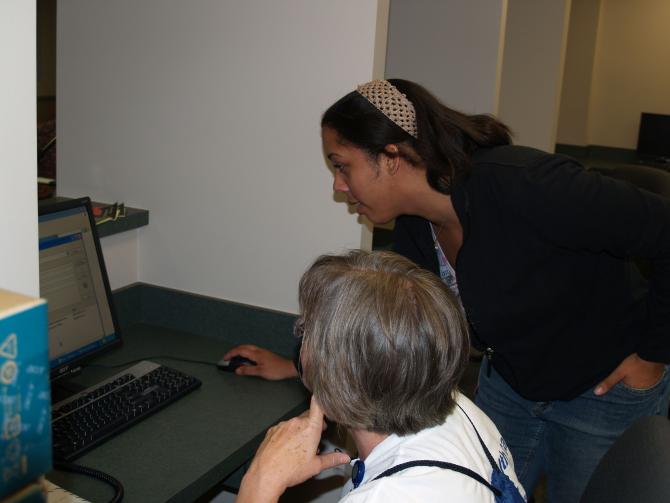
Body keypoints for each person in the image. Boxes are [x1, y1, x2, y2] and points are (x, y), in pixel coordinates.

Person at [225, 79, 670, 502]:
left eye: (342, 166)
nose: (338, 186)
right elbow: (396, 340)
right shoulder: (417, 229)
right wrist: (305, 364)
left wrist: (652, 352)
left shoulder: (528, 185)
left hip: (601, 390)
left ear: (392, 156)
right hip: (514, 383)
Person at [236, 250, 524, 503]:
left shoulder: (386, 496)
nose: (302, 344)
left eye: (306, 331)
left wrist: (260, 483)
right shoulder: (458, 407)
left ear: (342, 378)